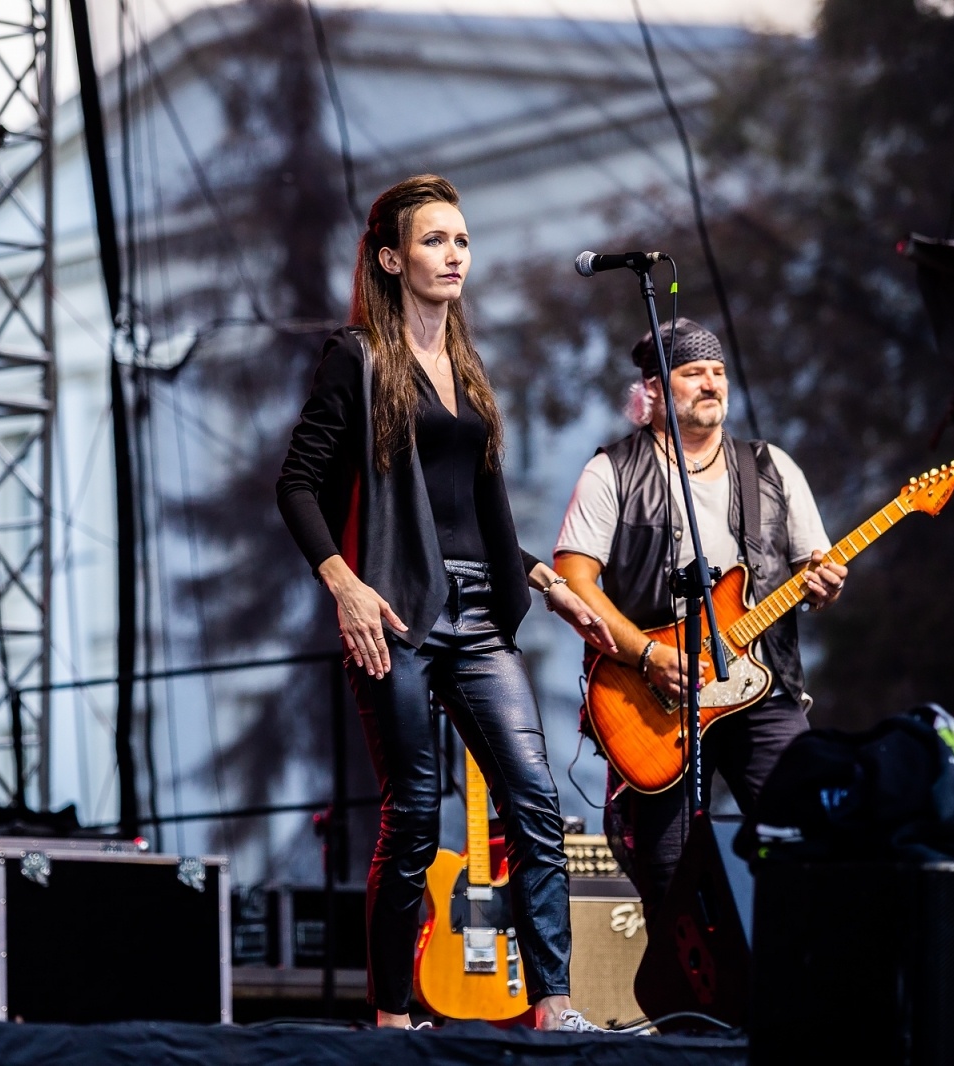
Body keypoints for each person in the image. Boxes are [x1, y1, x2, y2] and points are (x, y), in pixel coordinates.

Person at [276, 174, 617, 1031]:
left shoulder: (467, 366)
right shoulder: (357, 357)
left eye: (462, 239)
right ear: (392, 259)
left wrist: (545, 580)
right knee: (415, 817)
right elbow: (297, 485)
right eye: (434, 240)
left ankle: (553, 1007)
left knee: (535, 801)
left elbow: (474, 507)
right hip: (396, 612)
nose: (454, 254)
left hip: (478, 615)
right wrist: (344, 583)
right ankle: (393, 1019)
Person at [552, 318, 846, 920]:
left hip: (763, 685)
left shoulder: (771, 468)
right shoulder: (611, 471)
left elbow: (813, 570)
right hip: (657, 695)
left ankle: (786, 971)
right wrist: (647, 655)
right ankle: (688, 980)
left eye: (718, 372)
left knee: (808, 841)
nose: (712, 383)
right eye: (693, 373)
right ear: (653, 389)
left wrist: (826, 584)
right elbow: (574, 584)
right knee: (669, 877)